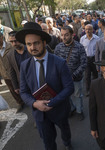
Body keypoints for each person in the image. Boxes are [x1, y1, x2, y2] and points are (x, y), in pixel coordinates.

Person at [16, 22, 74, 150]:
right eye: (29, 44)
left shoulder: (59, 63)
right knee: (48, 142)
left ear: (44, 43)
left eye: (36, 43)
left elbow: (69, 87)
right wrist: (35, 104)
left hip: (59, 110)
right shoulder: (25, 66)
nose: (32, 47)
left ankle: (67, 143)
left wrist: (51, 103)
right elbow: (24, 92)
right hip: (40, 114)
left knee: (65, 133)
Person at [55, 26, 87, 121]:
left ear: (72, 35)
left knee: (78, 95)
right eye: (62, 35)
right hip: (63, 78)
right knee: (65, 95)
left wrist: (74, 75)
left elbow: (84, 63)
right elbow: (55, 63)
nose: (64, 37)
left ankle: (79, 111)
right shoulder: (58, 47)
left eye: (66, 35)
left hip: (76, 78)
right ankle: (72, 108)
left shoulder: (79, 47)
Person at [0, 32, 24, 112]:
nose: (14, 43)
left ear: (2, 37)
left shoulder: (10, 46)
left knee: (22, 87)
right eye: (12, 41)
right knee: (13, 90)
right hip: (5, 74)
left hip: (16, 72)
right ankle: (20, 103)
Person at [7, 31, 31, 111]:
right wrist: (15, 86)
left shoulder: (30, 49)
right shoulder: (10, 55)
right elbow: (12, 71)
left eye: (16, 41)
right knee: (31, 103)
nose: (14, 44)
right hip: (23, 84)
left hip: (37, 81)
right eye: (11, 42)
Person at [80, 24, 99, 96]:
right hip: (86, 59)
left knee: (95, 75)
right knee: (87, 76)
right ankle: (88, 90)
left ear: (92, 30)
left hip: (94, 58)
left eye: (89, 29)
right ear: (84, 30)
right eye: (86, 29)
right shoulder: (82, 39)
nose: (88, 31)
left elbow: (98, 50)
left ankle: (96, 90)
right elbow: (81, 50)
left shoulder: (97, 38)